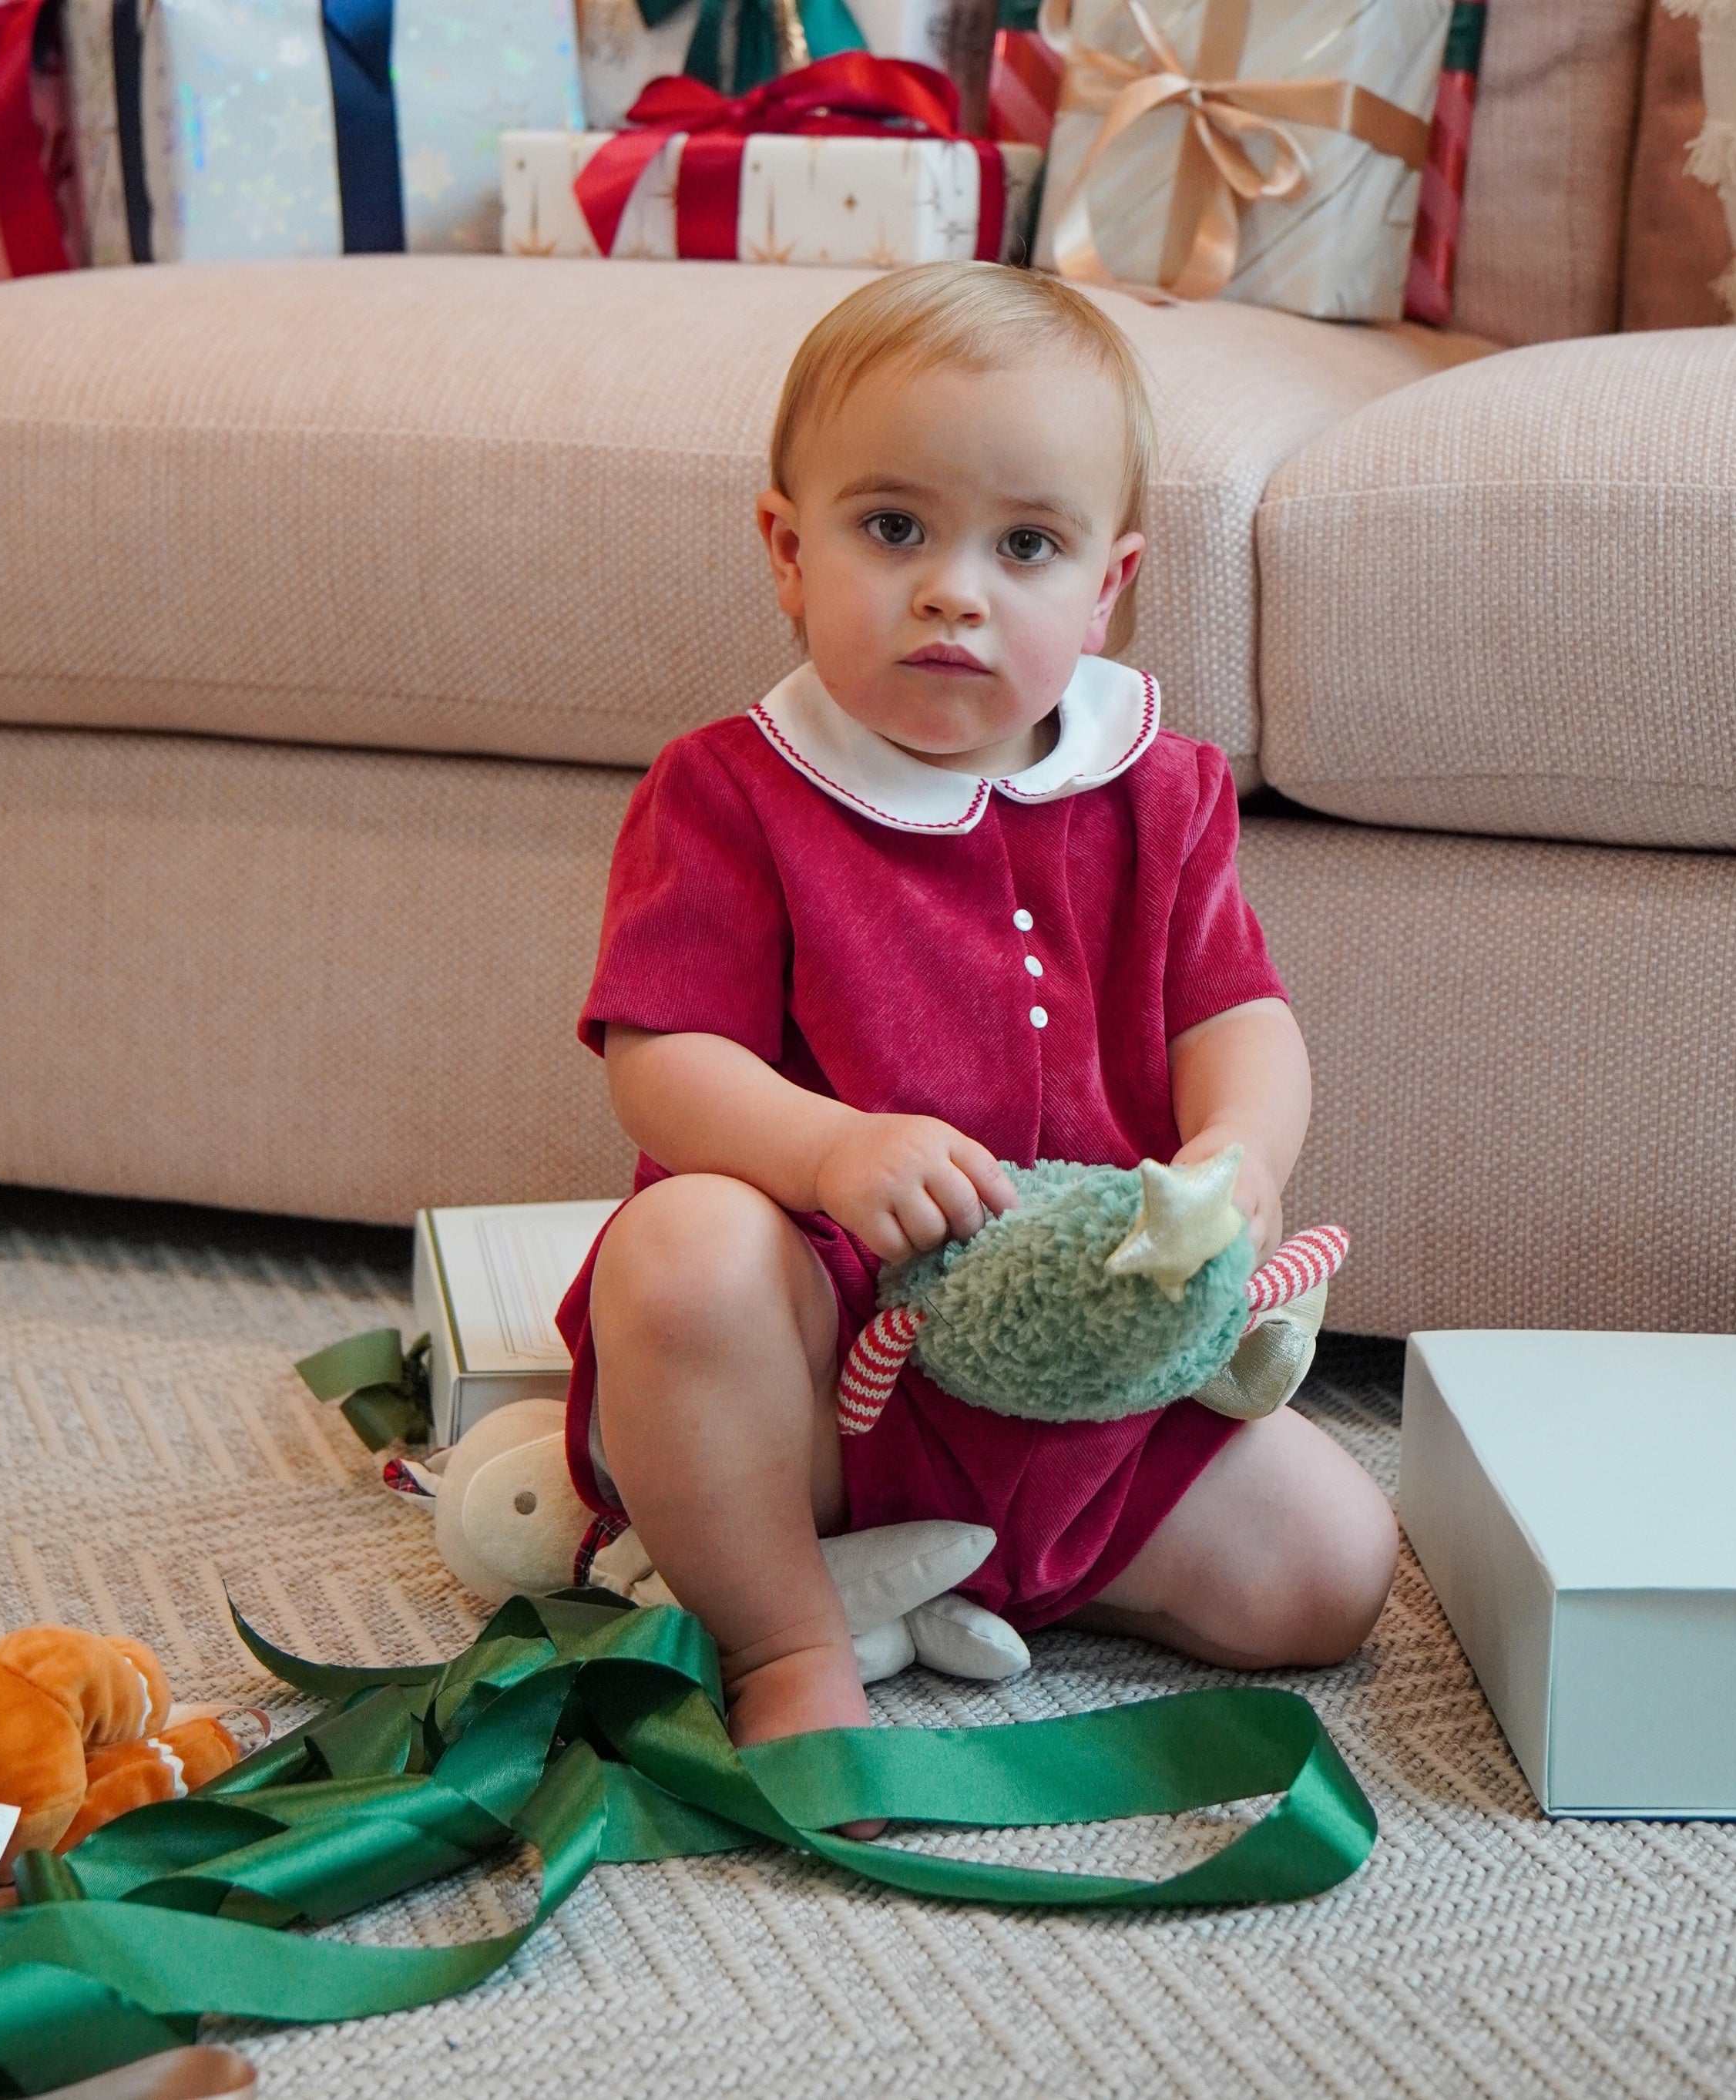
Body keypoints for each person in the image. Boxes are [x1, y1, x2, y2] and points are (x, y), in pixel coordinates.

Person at [556, 262, 1397, 1756]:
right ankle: (786, 1629)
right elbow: (658, 1060)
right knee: (681, 1254)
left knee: (1332, 1575)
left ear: (1108, 585)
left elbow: (1239, 1016)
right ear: (785, 548)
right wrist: (829, 1154)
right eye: (893, 529)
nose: (956, 588)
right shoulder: (732, 792)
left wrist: (1240, 1159)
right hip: (828, 1370)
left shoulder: (1160, 790)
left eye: (1026, 545)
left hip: (1079, 1375)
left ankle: (1013, 1564)